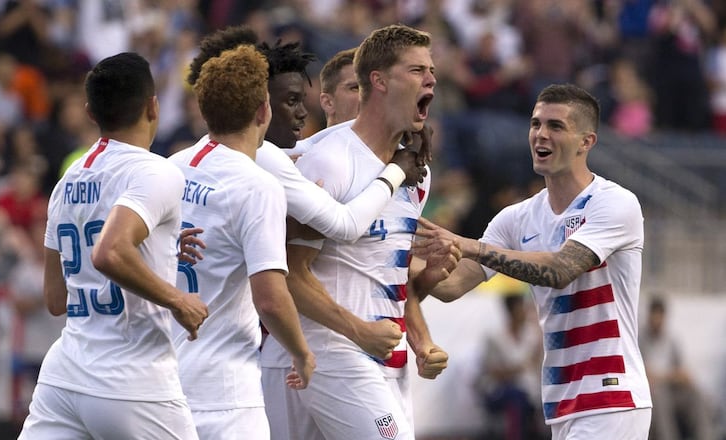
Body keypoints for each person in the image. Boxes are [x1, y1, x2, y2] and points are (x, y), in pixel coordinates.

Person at [414, 83, 653, 439]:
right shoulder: (516, 218)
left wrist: (468, 245)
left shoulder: (614, 203)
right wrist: (398, 256)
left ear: (586, 141)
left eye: (556, 126)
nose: (541, 134)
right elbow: (450, 286)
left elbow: (559, 270)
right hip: (561, 402)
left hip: (611, 395)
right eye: (535, 124)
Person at [263, 24, 452, 440]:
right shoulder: (329, 161)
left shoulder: (416, 174)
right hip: (330, 349)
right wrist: (358, 330)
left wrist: (420, 336)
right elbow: (290, 273)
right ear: (379, 81)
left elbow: (386, 274)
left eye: (431, 70)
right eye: (417, 69)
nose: (432, 79)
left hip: (380, 356)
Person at [18, 52, 208, 440]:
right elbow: (109, 251)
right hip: (132, 379)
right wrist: (177, 298)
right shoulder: (156, 170)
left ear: (90, 111)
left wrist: (161, 248)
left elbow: (57, 300)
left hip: (65, 377)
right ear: (153, 106)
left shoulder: (69, 177)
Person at [168, 43, 316, 439]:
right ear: (263, 111)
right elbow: (269, 298)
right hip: (225, 394)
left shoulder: (172, 166)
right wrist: (301, 354)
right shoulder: (257, 186)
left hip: (164, 380)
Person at [640, 296, 715, 440]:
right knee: (660, 397)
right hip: (653, 394)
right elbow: (647, 375)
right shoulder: (641, 339)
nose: (657, 321)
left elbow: (683, 374)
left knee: (695, 394)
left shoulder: (672, 340)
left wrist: (666, 376)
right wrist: (668, 376)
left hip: (672, 389)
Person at [478, 292, 547, 440]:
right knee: (516, 397)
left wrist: (513, 369)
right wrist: (518, 369)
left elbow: (538, 366)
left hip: (530, 390)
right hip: (501, 392)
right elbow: (490, 371)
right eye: (521, 308)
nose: (524, 312)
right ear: (511, 310)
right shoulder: (495, 337)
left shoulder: (533, 335)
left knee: (530, 399)